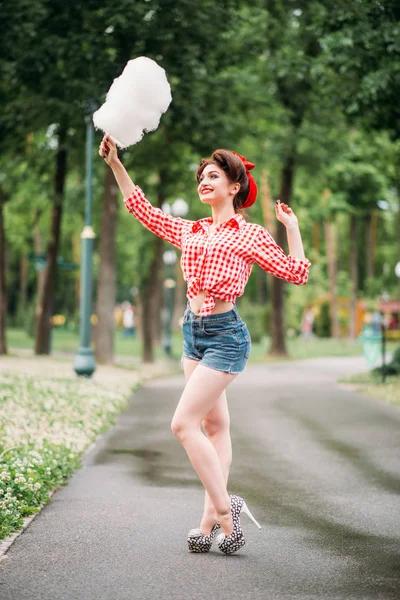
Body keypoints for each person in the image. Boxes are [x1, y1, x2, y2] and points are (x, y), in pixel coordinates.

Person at [99, 135, 311, 555]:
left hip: (226, 338)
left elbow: (296, 272)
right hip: (193, 334)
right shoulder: (190, 230)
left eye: (213, 175)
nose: (204, 181)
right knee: (215, 428)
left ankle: (227, 512)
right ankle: (207, 525)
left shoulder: (248, 235)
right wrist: (115, 165)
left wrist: (293, 229)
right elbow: (142, 209)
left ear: (234, 187)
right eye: (201, 176)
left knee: (182, 425)